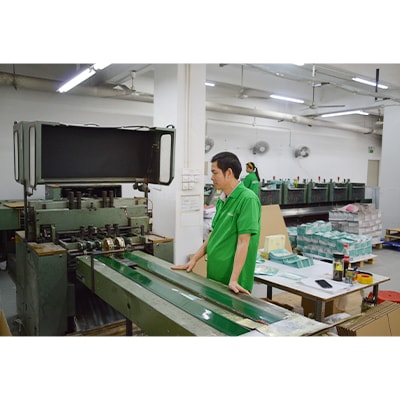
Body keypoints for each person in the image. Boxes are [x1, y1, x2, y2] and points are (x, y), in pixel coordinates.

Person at [172, 152, 261, 294]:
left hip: (232, 278)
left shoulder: (247, 199)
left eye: (215, 172)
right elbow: (214, 233)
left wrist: (234, 279)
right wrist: (194, 260)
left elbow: (243, 241)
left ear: (229, 173)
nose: (212, 177)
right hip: (216, 271)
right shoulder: (222, 199)